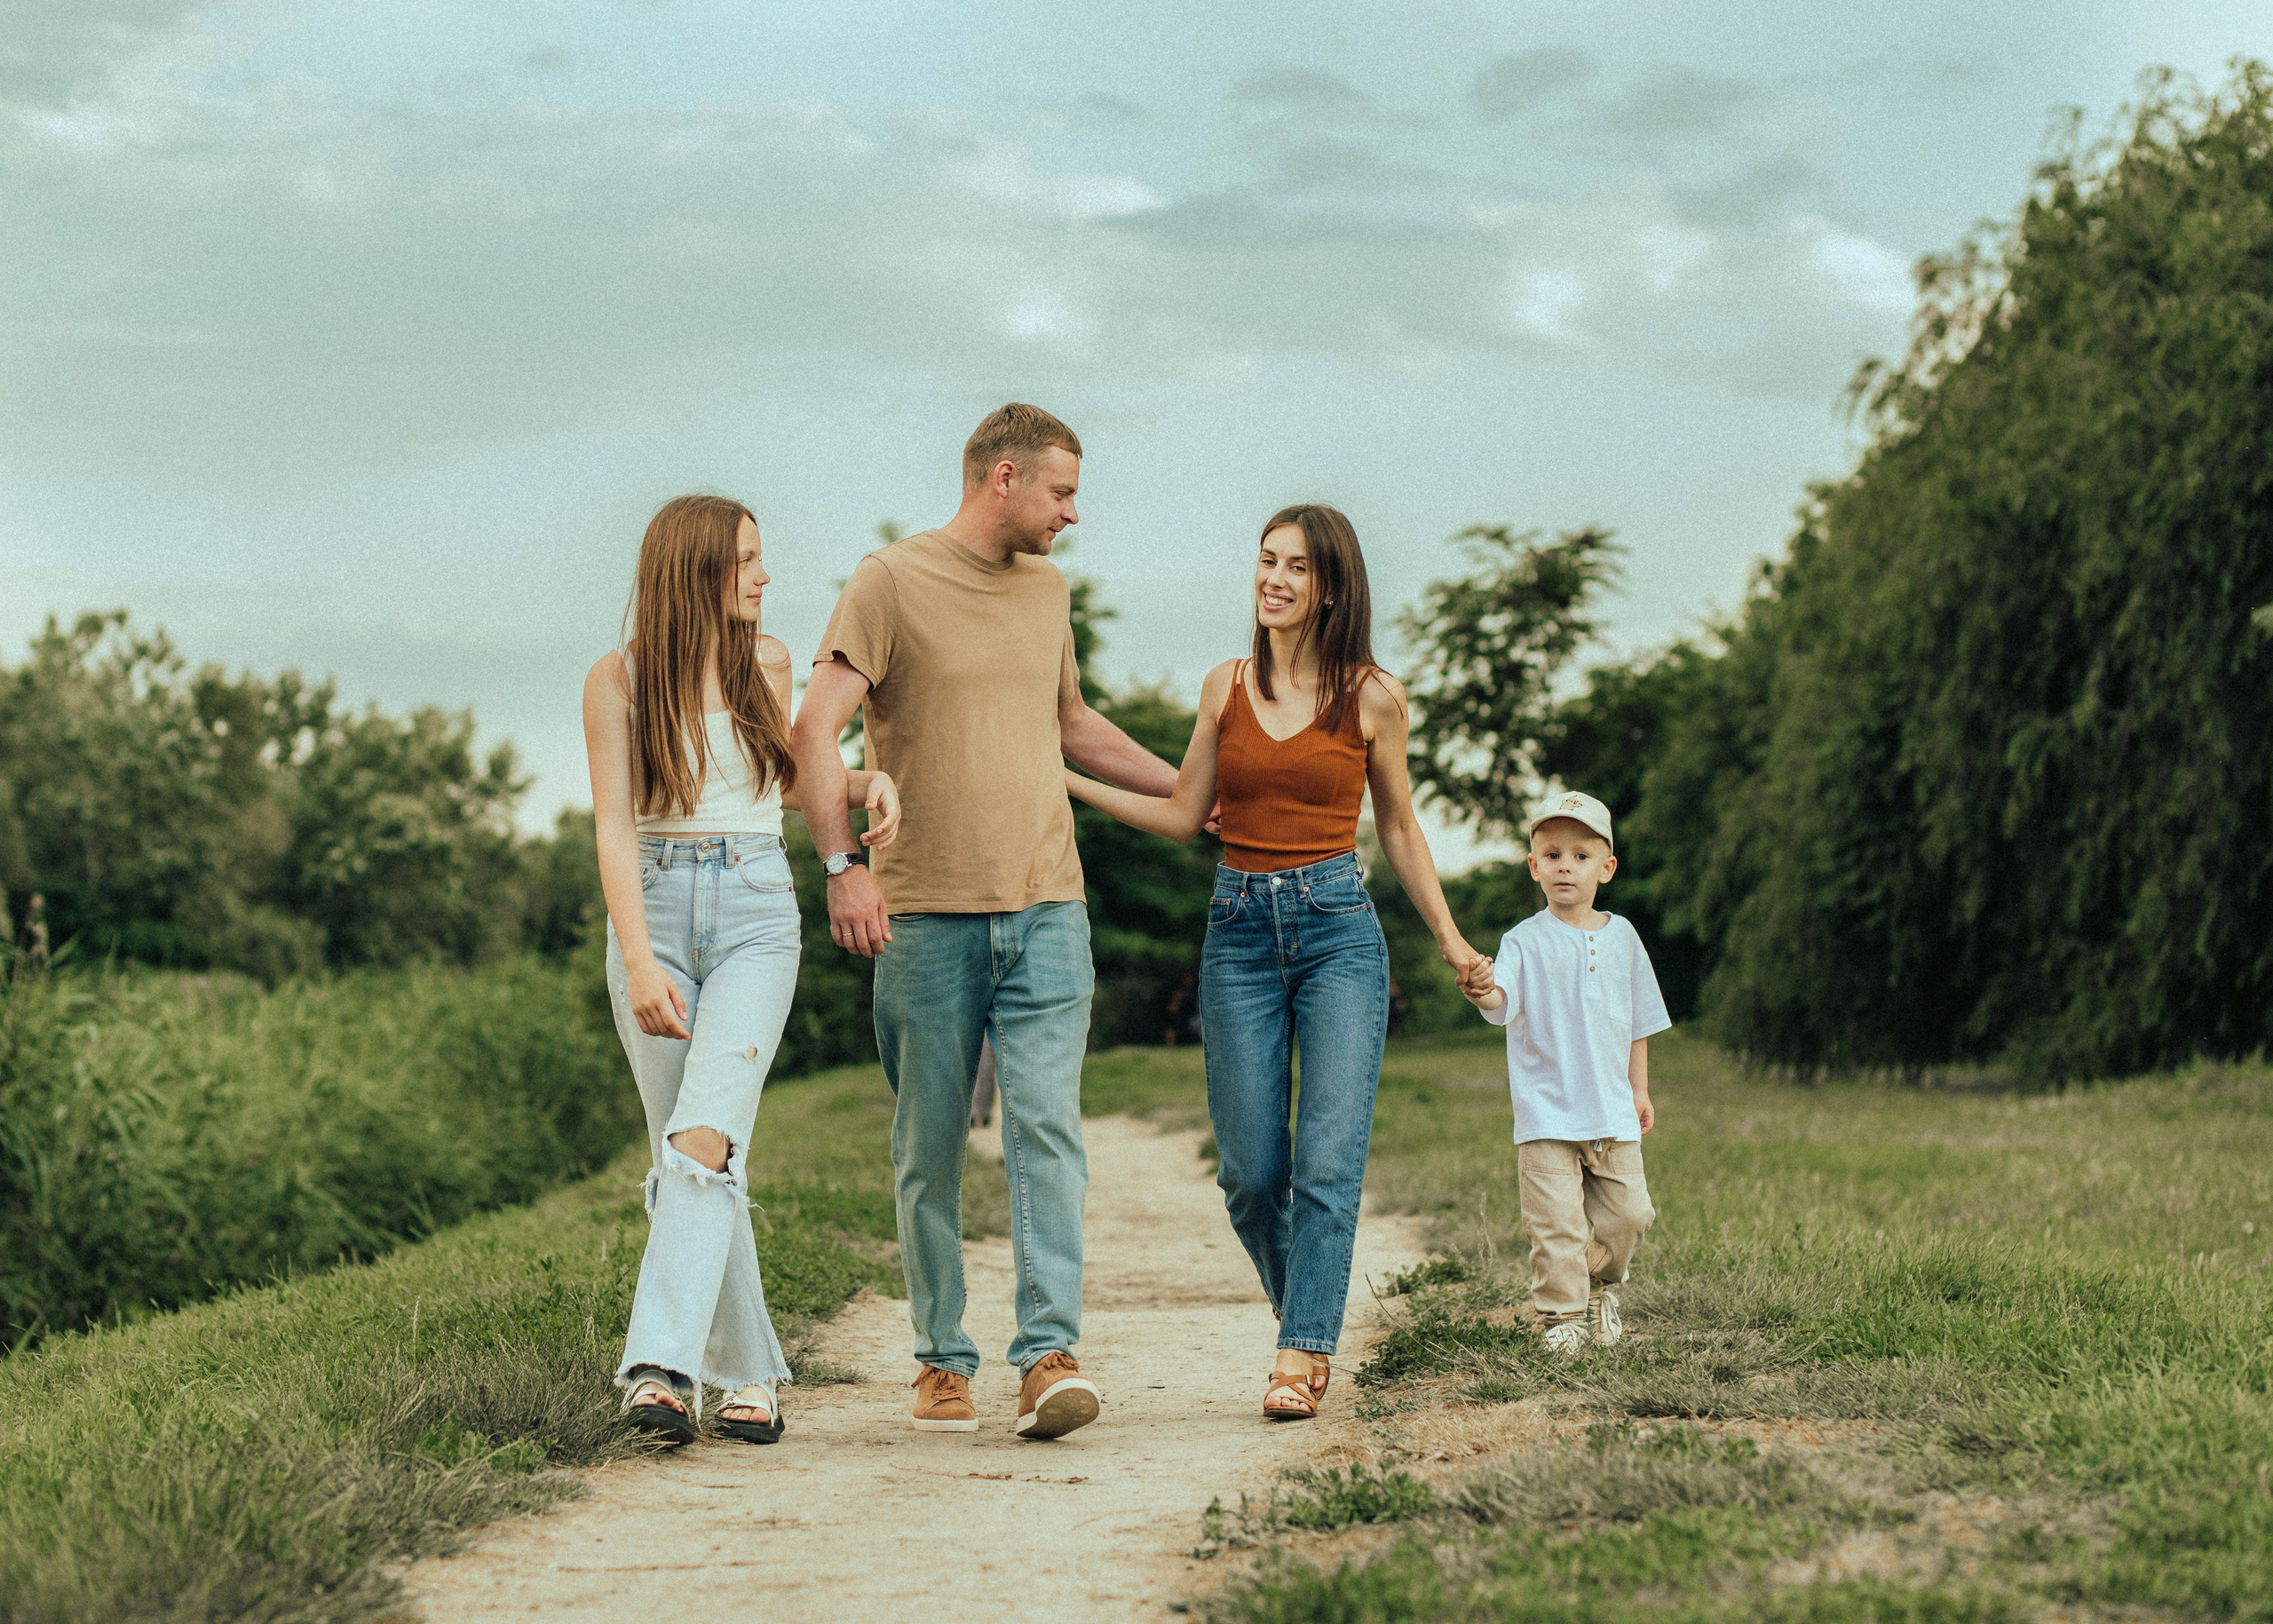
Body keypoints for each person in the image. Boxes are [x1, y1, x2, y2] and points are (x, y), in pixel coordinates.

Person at [790, 403, 1180, 1439]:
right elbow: (812, 730)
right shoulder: (889, 581)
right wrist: (843, 867)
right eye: (1061, 493)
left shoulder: (1046, 590)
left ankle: (1047, 1353)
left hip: (1049, 905)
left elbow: (1071, 722)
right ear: (1002, 477)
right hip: (923, 913)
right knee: (928, 1145)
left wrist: (1193, 788)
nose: (1072, 515)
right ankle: (938, 1358)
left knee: (1045, 1128)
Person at [1065, 503, 1492, 1420]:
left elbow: (1401, 828)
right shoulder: (1224, 685)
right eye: (1266, 561)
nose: (1275, 579)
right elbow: (1184, 815)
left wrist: (1453, 940)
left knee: (1327, 1164)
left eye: (1296, 566)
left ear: (1331, 585)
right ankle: (1307, 1310)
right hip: (1239, 932)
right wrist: (1060, 778)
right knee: (1251, 1174)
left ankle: (1301, 1350)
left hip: (1339, 928)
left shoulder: (1372, 695)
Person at [583, 494, 903, 1444]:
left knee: (704, 1138)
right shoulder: (617, 681)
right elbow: (611, 824)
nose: (766, 577)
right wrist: (639, 958)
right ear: (695, 573)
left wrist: (860, 779)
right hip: (654, 907)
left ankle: (657, 1365)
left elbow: (783, 781)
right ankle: (752, 1372)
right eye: (747, 561)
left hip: (757, 910)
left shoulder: (765, 660)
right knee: (686, 1148)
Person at [1458, 789, 1670, 1356]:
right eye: (1551, 855)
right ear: (1534, 866)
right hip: (1547, 1111)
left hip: (1612, 1110)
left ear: (1607, 867)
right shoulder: (1524, 940)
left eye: (1580, 856)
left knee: (1631, 1217)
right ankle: (1565, 1318)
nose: (1565, 867)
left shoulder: (1623, 936)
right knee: (1555, 1227)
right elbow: (1503, 1001)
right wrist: (1484, 988)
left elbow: (1638, 1021)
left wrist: (1640, 1090)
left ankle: (1600, 1284)